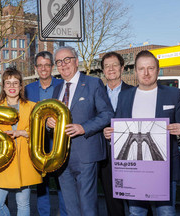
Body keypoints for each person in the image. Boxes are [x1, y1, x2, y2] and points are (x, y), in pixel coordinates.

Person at [112, 50, 180, 216]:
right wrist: (111, 134)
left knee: (166, 212)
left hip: (164, 167)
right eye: (141, 69)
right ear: (135, 72)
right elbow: (118, 127)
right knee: (135, 212)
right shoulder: (125, 96)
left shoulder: (172, 94)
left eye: (150, 68)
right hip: (133, 168)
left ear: (158, 69)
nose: (146, 73)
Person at [47, 46, 114, 216]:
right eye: (59, 62)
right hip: (61, 156)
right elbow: (53, 118)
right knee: (70, 208)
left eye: (67, 60)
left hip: (85, 155)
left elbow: (107, 114)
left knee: (87, 206)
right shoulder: (57, 89)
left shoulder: (93, 83)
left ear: (76, 62)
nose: (63, 64)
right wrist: (49, 123)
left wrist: (84, 128)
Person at [0, 67, 42, 216]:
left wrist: (21, 133)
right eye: (8, 83)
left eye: (15, 83)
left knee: (23, 204)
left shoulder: (32, 107)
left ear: (20, 86)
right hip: (3, 161)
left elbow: (40, 133)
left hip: (24, 160)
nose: (12, 86)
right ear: (3, 87)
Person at [24, 51, 67, 216]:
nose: (43, 69)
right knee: (41, 185)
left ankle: (64, 213)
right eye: (40, 65)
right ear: (35, 68)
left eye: (47, 65)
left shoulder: (62, 86)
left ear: (52, 67)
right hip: (38, 145)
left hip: (59, 143)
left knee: (63, 184)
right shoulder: (28, 90)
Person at [100, 52, 133, 216]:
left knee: (138, 201)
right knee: (112, 203)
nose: (111, 69)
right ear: (103, 71)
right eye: (107, 66)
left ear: (122, 68)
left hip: (131, 155)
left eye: (114, 65)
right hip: (106, 156)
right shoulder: (96, 94)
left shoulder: (134, 92)